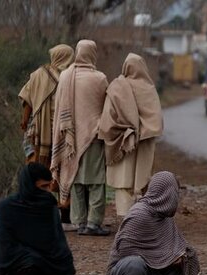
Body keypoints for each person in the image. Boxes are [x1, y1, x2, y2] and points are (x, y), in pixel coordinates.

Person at [105, 171, 200, 275]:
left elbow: (175, 245)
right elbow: (125, 252)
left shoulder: (163, 215)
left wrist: (177, 256)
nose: (176, 198)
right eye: (174, 193)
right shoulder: (139, 214)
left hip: (151, 271)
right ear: (164, 193)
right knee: (134, 265)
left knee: (188, 256)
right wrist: (165, 258)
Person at [0, 163, 77, 275]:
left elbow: (56, 244)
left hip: (36, 269)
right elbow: (5, 251)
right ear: (29, 185)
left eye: (48, 187)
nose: (46, 192)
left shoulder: (48, 206)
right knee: (32, 262)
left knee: (62, 259)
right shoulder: (7, 208)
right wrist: (36, 256)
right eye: (42, 187)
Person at [51, 39, 110, 236]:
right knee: (96, 182)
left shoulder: (65, 76)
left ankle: (79, 222)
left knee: (75, 180)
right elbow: (106, 107)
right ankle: (94, 223)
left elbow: (58, 108)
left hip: (70, 138)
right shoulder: (100, 78)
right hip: (93, 136)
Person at [99, 53, 163, 219]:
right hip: (144, 141)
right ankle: (142, 217)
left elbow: (108, 115)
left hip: (122, 140)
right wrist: (142, 130)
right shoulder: (149, 88)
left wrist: (124, 129)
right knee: (142, 179)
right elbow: (156, 118)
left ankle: (125, 216)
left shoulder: (116, 86)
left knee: (123, 178)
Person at [18, 44, 75, 226]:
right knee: (64, 170)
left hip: (39, 136)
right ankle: (65, 213)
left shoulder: (38, 74)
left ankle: (35, 210)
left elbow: (27, 101)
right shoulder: (72, 77)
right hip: (63, 133)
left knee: (36, 169)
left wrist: (25, 121)